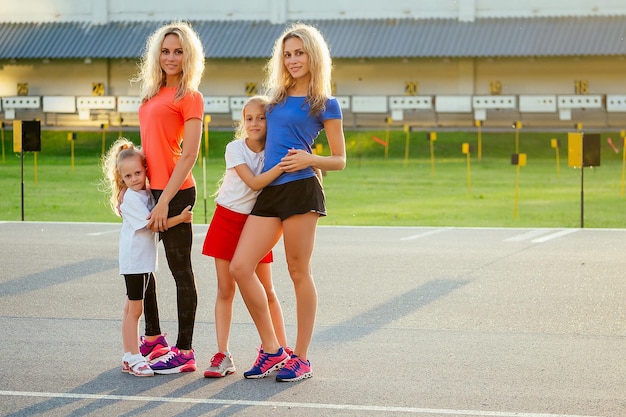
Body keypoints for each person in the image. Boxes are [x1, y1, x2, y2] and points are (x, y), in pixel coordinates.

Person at [229, 22, 347, 382]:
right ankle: (271, 349)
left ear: (313, 55)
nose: (293, 60)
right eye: (288, 54)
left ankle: (302, 358)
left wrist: (311, 160)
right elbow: (257, 132)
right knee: (240, 267)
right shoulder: (275, 98)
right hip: (270, 190)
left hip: (301, 188)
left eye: (300, 53)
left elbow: (340, 160)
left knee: (298, 272)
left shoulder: (325, 103)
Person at [132, 21, 205, 374]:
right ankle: (154, 337)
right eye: (165, 50)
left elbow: (189, 154)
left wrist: (164, 200)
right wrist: (132, 189)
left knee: (180, 271)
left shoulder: (190, 96)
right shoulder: (150, 95)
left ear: (188, 55)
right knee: (142, 267)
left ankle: (185, 350)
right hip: (148, 192)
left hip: (175, 193)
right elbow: (148, 148)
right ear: (156, 54)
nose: (171, 57)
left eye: (178, 51)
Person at [201, 95, 290, 378]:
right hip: (227, 219)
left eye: (261, 118)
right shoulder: (235, 148)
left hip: (256, 224)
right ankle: (223, 355)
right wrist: (281, 167)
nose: (254, 123)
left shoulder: (275, 150)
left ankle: (281, 349)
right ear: (243, 121)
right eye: (249, 118)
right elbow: (253, 182)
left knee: (268, 291)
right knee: (226, 290)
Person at [101, 137, 192, 377]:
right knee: (134, 310)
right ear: (121, 179)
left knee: (131, 308)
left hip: (142, 261)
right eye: (128, 177)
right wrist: (180, 219)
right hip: (134, 262)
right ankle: (131, 357)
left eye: (138, 173)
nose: (134, 179)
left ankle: (131, 355)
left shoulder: (145, 192)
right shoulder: (131, 199)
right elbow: (153, 225)